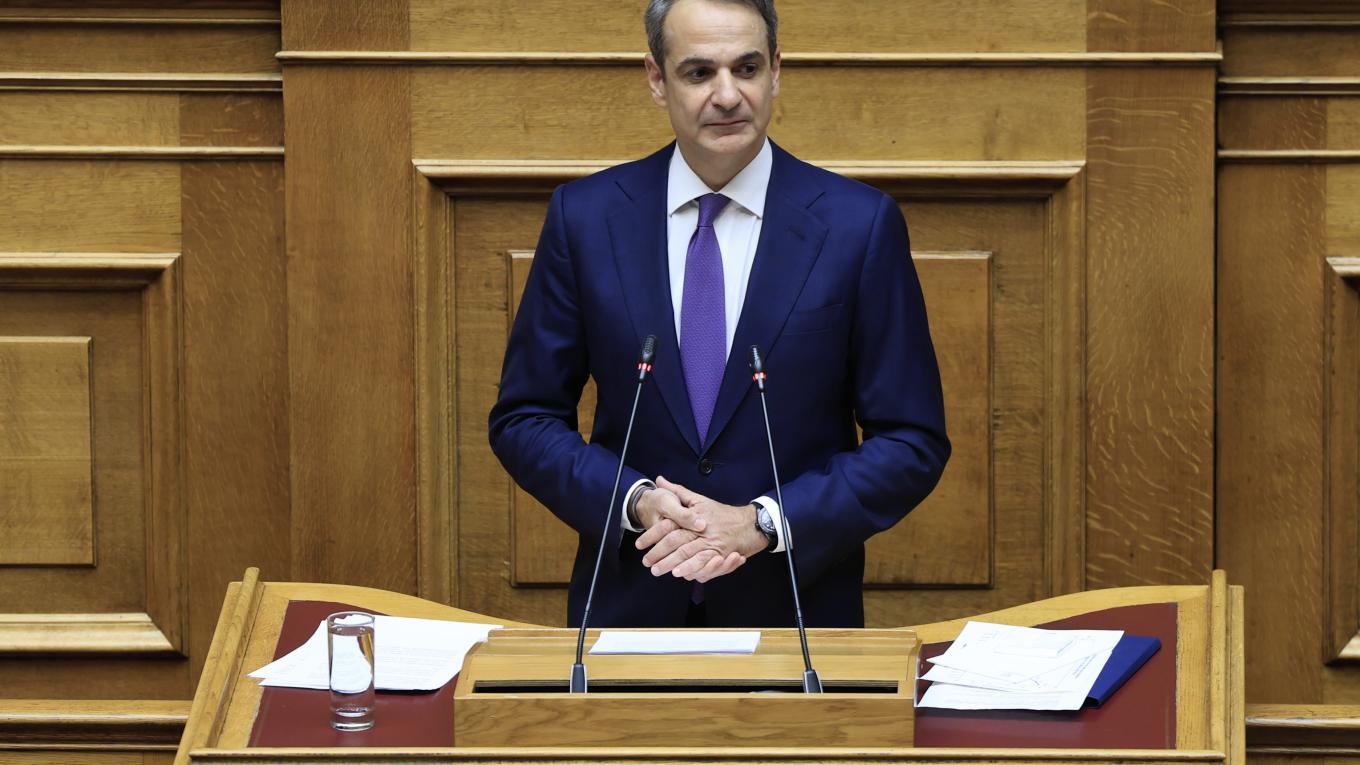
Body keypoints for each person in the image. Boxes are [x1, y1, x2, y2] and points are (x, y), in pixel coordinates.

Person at [488, 0, 949, 628]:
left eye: (747, 68)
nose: (728, 95)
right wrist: (635, 501)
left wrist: (765, 522)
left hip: (796, 617)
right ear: (657, 79)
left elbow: (911, 440)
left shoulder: (857, 225)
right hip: (631, 608)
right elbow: (525, 418)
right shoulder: (587, 218)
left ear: (776, 70)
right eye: (699, 72)